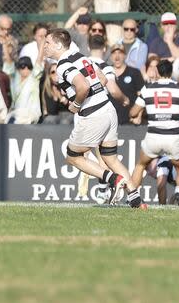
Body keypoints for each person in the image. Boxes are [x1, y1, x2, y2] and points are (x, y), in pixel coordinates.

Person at [42, 28, 143, 208]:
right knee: (110, 158)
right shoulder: (81, 56)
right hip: (108, 109)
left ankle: (112, 179)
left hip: (94, 114)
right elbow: (103, 80)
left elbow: (83, 87)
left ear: (58, 45)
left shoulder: (63, 65)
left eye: (48, 42)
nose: (45, 46)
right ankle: (135, 198)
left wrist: (76, 105)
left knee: (73, 156)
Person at [128, 59, 179, 205]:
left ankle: (132, 197)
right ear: (171, 73)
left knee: (140, 165)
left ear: (157, 72)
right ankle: (178, 193)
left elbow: (133, 112)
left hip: (153, 135)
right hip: (173, 136)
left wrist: (140, 112)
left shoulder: (148, 89)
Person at [109, 43, 144, 125]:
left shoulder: (134, 73)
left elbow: (142, 96)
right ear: (110, 56)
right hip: (110, 122)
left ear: (125, 55)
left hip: (130, 122)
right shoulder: (106, 72)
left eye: (120, 53)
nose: (117, 56)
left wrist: (139, 116)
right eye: (114, 53)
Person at [4, 55, 43, 124]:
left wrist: (42, 46)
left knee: (16, 122)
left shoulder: (34, 78)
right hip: (16, 112)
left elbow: (39, 62)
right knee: (8, 122)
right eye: (23, 66)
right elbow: (8, 64)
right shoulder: (14, 79)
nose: (26, 69)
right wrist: (5, 46)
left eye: (29, 67)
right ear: (18, 68)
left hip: (31, 113)